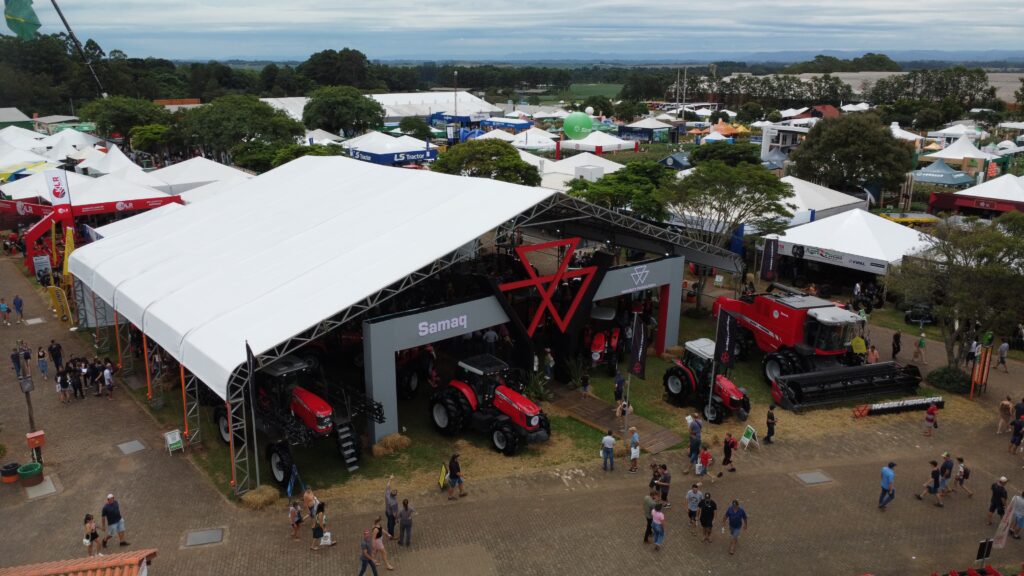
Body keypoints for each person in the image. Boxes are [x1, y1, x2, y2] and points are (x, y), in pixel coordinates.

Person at [384, 475, 399, 540]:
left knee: (389, 523)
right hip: (391, 514)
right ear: (395, 495)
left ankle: (389, 529)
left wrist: (390, 479)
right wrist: (396, 519)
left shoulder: (387, 493)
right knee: (392, 525)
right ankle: (391, 536)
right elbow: (394, 513)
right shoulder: (394, 503)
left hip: (387, 511)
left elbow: (388, 485)